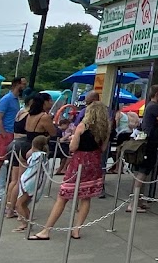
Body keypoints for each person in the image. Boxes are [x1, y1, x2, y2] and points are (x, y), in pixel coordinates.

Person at [30, 101, 110, 240]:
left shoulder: (82, 126)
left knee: (63, 196)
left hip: (79, 162)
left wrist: (74, 138)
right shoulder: (105, 130)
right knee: (86, 197)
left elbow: (72, 148)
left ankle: (46, 230)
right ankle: (76, 230)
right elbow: (103, 149)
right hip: (94, 163)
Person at [5, 95, 56, 218]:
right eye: (50, 101)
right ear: (44, 102)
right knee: (29, 182)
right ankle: (21, 207)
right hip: (34, 148)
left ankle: (11, 209)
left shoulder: (29, 115)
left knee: (17, 180)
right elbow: (53, 133)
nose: (52, 102)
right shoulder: (44, 117)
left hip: (23, 145)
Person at [129, 85, 158, 214]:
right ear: (157, 94)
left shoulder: (148, 107)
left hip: (145, 142)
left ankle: (138, 201)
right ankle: (133, 203)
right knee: (143, 172)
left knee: (140, 172)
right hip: (150, 144)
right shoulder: (155, 107)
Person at [0, 78, 26, 204]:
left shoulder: (15, 100)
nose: (24, 86)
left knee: (3, 162)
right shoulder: (7, 99)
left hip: (9, 133)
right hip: (3, 134)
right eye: (23, 84)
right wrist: (3, 133)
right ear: (17, 84)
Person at [13, 135, 49, 232]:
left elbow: (29, 161)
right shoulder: (44, 155)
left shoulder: (37, 155)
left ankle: (24, 223)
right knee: (23, 204)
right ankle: (28, 222)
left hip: (29, 182)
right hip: (33, 182)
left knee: (19, 204)